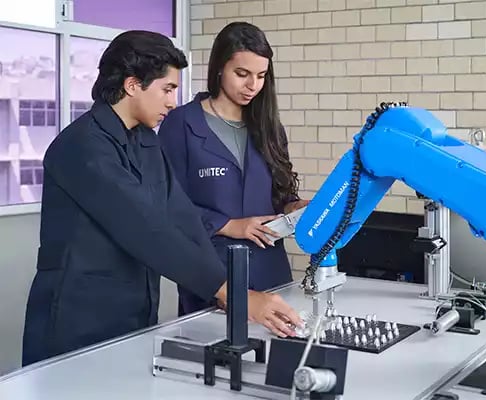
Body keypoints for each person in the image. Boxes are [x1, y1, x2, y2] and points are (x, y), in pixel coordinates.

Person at [21, 30, 301, 367]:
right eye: (167, 89)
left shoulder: (144, 142)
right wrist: (234, 294)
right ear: (132, 84)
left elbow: (180, 217)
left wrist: (229, 293)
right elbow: (147, 230)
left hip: (133, 314)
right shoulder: (82, 147)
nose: (172, 101)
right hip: (75, 321)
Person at [158, 22, 308, 316]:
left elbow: (279, 194)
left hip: (270, 272)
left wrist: (294, 207)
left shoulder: (269, 128)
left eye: (261, 76)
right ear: (219, 68)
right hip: (212, 273)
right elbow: (167, 204)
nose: (253, 85)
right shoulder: (181, 125)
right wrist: (230, 225)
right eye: (242, 74)